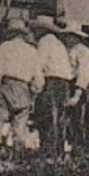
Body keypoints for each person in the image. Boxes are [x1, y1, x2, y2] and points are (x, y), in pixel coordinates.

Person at [0, 18, 42, 159]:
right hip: (24, 87)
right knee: (20, 124)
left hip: (7, 85)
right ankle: (19, 156)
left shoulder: (4, 47)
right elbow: (38, 78)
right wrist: (34, 93)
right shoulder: (32, 51)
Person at [32, 15, 74, 157]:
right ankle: (58, 152)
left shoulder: (45, 41)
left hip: (51, 82)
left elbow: (38, 64)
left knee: (48, 117)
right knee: (60, 119)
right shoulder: (58, 43)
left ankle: (47, 152)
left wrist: (36, 86)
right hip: (64, 83)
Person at [61, 21, 89, 148]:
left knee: (77, 119)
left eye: (72, 35)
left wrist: (77, 94)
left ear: (77, 37)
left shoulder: (83, 51)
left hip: (78, 86)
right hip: (65, 85)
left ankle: (79, 148)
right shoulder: (64, 49)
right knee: (64, 120)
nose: (69, 38)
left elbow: (84, 73)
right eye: (67, 35)